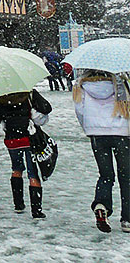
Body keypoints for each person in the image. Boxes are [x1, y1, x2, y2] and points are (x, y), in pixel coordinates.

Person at [73, 69, 130, 233]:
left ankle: (101, 204)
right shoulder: (121, 82)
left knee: (106, 175)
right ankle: (127, 219)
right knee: (126, 176)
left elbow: (80, 110)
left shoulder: (82, 85)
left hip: (97, 134)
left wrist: (89, 128)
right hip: (121, 132)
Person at [0, 89, 52, 219]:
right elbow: (47, 108)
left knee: (16, 169)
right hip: (29, 138)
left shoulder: (1, 95)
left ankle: (18, 204)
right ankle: (36, 210)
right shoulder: (29, 93)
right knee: (33, 173)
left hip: (12, 139)